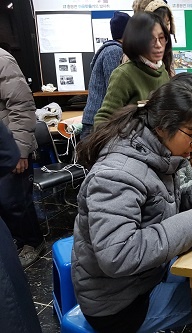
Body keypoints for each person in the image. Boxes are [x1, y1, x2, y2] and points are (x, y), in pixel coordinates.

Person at [72, 77, 192, 333]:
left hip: (143, 279)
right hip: (119, 305)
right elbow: (118, 254)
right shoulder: (117, 174)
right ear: (163, 126)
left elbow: (159, 202)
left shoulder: (152, 150)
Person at [0, 47, 45, 268]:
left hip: (10, 148)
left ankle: (33, 243)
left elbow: (22, 106)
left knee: (15, 202)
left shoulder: (2, 60)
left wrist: (19, 151)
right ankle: (15, 243)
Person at [0, 122, 42, 333]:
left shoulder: (12, 86)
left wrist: (22, 152)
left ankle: (33, 243)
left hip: (17, 150)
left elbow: (21, 115)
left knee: (18, 205)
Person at [93, 12, 170, 125]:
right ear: (137, 41)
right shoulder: (124, 74)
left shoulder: (163, 72)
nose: (158, 44)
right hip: (130, 140)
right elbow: (103, 120)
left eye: (161, 38)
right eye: (150, 39)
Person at [80, 11, 130, 140]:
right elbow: (114, 88)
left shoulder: (111, 49)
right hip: (97, 123)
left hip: (98, 121)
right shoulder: (114, 51)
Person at [132, 0, 176, 77]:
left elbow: (170, 75)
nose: (164, 27)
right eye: (160, 23)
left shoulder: (167, 47)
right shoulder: (134, 52)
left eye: (167, 23)